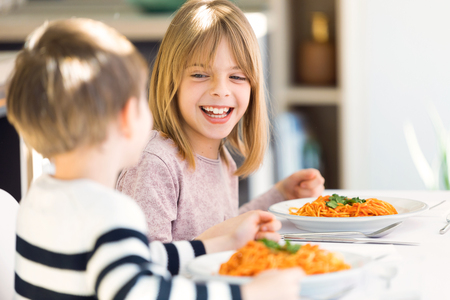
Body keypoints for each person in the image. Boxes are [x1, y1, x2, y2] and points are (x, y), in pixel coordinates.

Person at [6, 18, 304, 300]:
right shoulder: (110, 213)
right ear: (127, 117)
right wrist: (247, 295)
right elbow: (144, 293)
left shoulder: (42, 197)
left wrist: (222, 244)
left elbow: (143, 258)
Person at [117, 0, 325, 243]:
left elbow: (223, 229)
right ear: (171, 82)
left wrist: (279, 196)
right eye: (200, 75)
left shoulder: (222, 160)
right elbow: (148, 261)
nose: (220, 90)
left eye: (236, 76)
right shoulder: (155, 164)